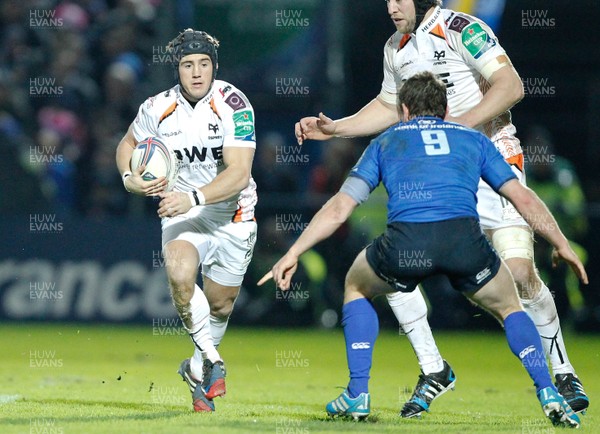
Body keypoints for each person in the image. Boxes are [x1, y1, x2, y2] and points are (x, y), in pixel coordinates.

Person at [295, 0, 589, 417]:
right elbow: (387, 105)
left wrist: (455, 130)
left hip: (491, 159)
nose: (391, 7)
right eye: (387, 0)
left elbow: (511, 86)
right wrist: (337, 127)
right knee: (396, 259)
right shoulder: (395, 47)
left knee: (520, 273)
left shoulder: (460, 28)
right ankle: (433, 367)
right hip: (438, 170)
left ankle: (562, 372)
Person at [115, 29, 258, 412]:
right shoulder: (156, 107)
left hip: (233, 213)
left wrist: (193, 196)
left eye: (203, 65)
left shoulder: (233, 103)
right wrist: (129, 179)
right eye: (187, 65)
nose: (196, 73)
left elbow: (240, 173)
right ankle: (214, 361)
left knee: (221, 306)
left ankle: (196, 368)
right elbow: (127, 144)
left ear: (214, 67)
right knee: (180, 276)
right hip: (182, 212)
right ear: (177, 70)